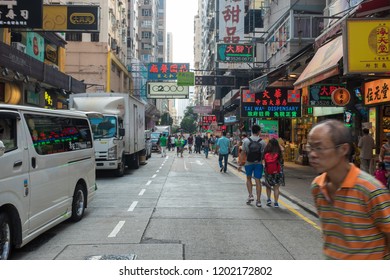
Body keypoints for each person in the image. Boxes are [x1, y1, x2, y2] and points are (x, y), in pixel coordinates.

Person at [307, 119, 390, 260]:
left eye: (319, 148)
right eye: (310, 148)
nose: (313, 154)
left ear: (343, 149)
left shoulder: (370, 190)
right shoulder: (317, 187)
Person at [238, 124, 266, 207]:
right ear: (259, 132)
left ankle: (250, 195)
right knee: (258, 181)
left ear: (252, 131)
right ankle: (258, 201)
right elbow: (263, 154)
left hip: (248, 163)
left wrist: (240, 164)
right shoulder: (262, 142)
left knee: (248, 178)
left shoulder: (246, 141)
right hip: (258, 163)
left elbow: (243, 153)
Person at [263, 138, 283, 208]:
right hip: (277, 171)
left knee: (268, 186)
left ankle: (268, 199)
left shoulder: (266, 151)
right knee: (276, 188)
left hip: (268, 170)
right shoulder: (279, 151)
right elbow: (281, 161)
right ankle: (276, 203)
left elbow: (264, 161)